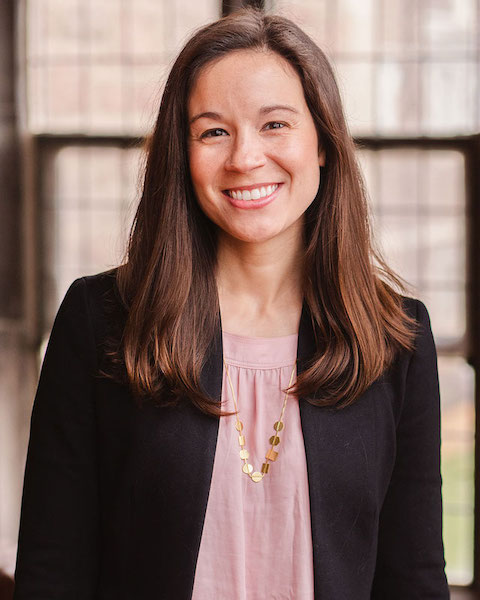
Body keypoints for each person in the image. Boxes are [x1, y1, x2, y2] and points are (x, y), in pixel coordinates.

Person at [13, 7, 449, 600]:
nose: (245, 157)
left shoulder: (397, 338)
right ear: (182, 154)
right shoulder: (100, 321)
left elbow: (413, 579)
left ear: (321, 143)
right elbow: (52, 572)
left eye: (275, 125)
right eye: (213, 131)